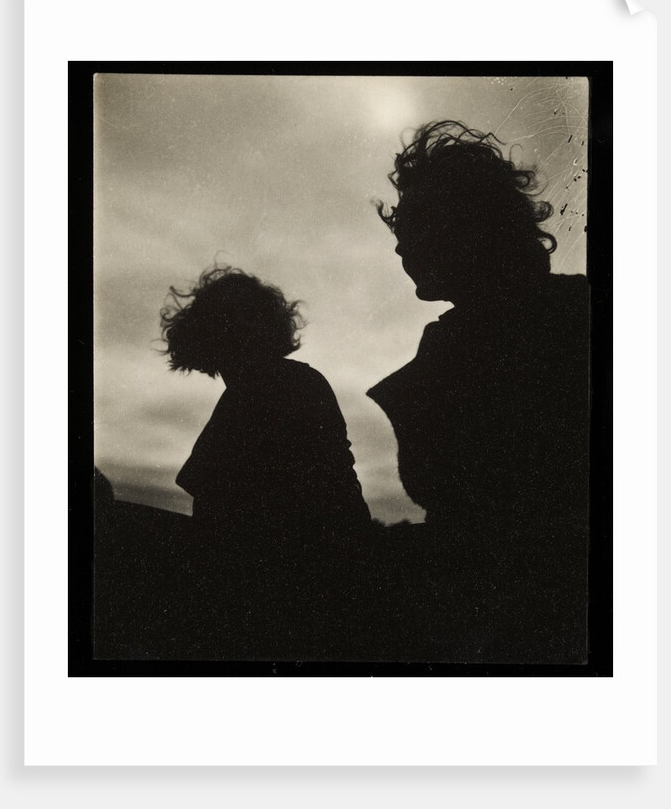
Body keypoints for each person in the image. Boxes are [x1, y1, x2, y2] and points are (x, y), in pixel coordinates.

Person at [367, 121, 590, 663]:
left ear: (466, 228)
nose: (401, 249)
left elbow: (480, 513)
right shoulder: (575, 307)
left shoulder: (500, 335)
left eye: (415, 229)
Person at [160, 266, 372, 659]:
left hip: (279, 585)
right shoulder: (293, 382)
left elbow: (212, 498)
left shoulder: (261, 389)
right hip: (324, 576)